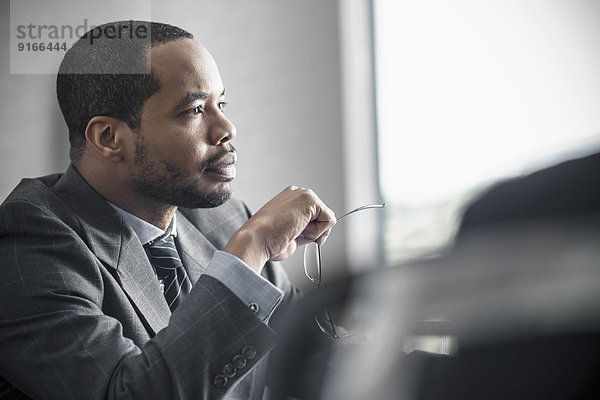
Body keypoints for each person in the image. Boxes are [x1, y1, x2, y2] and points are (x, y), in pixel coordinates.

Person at [0, 21, 336, 400]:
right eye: (194, 110)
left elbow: (316, 363)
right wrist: (249, 249)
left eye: (220, 104)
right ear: (109, 138)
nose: (226, 128)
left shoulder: (226, 219)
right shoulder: (27, 244)